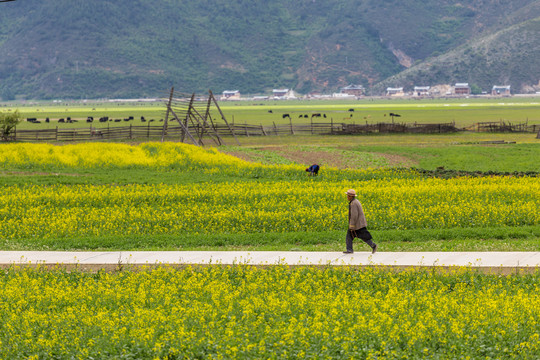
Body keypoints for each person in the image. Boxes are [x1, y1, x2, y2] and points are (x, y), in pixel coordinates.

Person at [344, 189, 377, 254]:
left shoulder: (353, 203)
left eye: (347, 196)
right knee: (363, 236)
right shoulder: (356, 201)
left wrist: (352, 226)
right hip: (360, 224)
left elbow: (354, 215)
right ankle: (373, 245)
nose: (347, 197)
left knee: (350, 235)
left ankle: (350, 250)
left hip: (357, 225)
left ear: (350, 196)